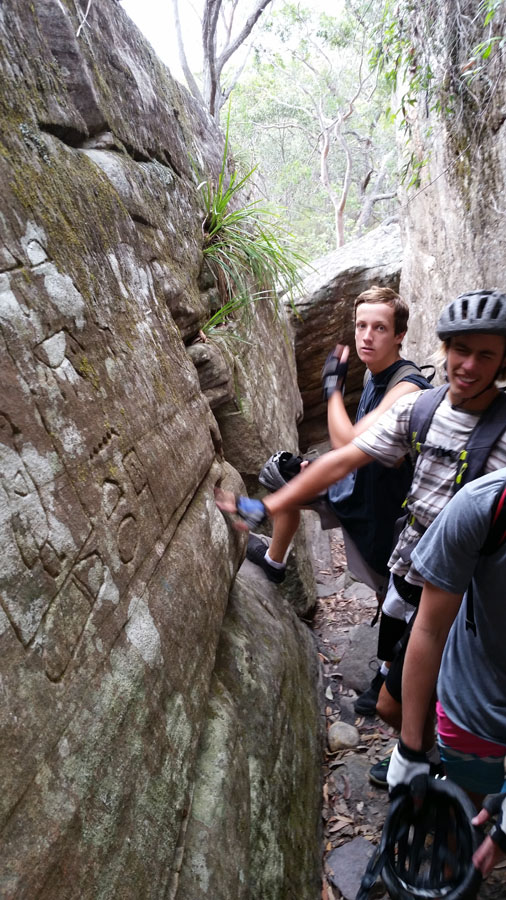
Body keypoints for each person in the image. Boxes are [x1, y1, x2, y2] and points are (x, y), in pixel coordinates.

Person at [216, 289, 506, 780]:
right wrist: (267, 504)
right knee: (397, 694)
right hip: (409, 568)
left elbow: (344, 445)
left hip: (465, 592)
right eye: (461, 350)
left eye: (486, 355)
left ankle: (434, 767)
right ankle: (421, 754)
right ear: (446, 348)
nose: (470, 365)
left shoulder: (433, 402)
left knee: (418, 699)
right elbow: (342, 460)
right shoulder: (423, 410)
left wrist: (332, 389)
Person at [247, 287, 431, 713]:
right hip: (356, 488)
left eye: (379, 328)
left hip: (389, 510)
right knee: (283, 474)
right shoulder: (373, 375)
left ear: (399, 335)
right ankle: (275, 561)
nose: (366, 336)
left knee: (394, 597)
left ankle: (388, 676)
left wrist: (332, 389)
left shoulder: (407, 388)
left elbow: (347, 440)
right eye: (361, 325)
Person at [386, 468, 506, 880]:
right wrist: (410, 748)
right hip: (476, 700)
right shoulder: (484, 505)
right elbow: (430, 627)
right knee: (468, 811)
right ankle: (456, 860)